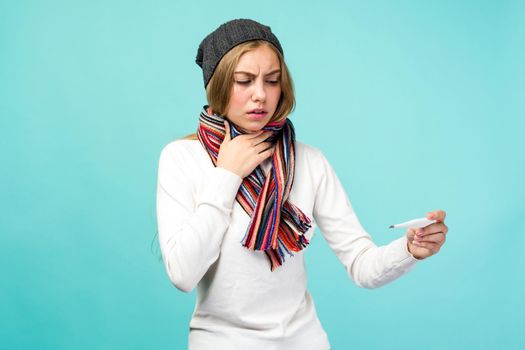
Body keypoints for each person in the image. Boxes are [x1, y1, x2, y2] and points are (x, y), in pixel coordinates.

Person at [155, 18, 448, 350]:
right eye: (244, 81)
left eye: (272, 80)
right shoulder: (182, 158)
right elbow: (182, 274)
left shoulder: (308, 161)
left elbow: (362, 264)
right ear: (219, 85)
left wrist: (411, 250)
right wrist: (227, 175)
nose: (260, 95)